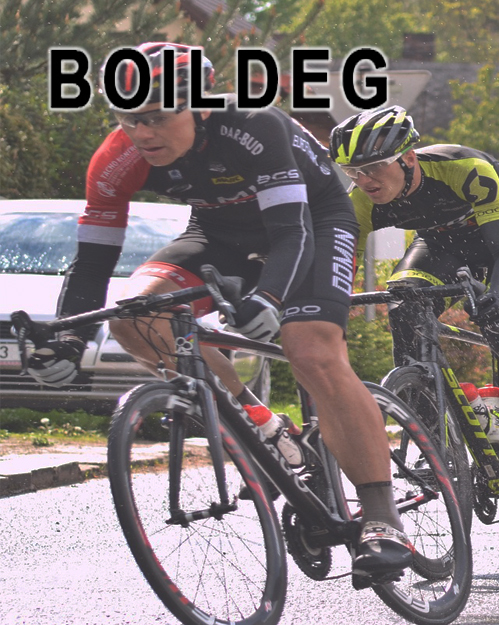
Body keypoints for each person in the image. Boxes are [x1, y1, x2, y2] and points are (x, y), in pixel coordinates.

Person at [23, 43, 414, 575]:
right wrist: (68, 341)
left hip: (313, 225)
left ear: (201, 106)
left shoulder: (254, 126)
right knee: (135, 315)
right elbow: (93, 261)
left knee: (311, 351)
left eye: (158, 117)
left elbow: (290, 231)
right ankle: (264, 426)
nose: (142, 133)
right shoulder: (116, 159)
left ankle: (381, 516)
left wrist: (270, 300)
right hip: (217, 232)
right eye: (129, 118)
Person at [329, 106, 499, 507]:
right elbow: (341, 263)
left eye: (375, 167)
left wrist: (496, 301)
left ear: (408, 158)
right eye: (353, 171)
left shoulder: (463, 168)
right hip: (442, 241)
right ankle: (435, 447)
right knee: (404, 306)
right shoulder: (361, 201)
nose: (365, 180)